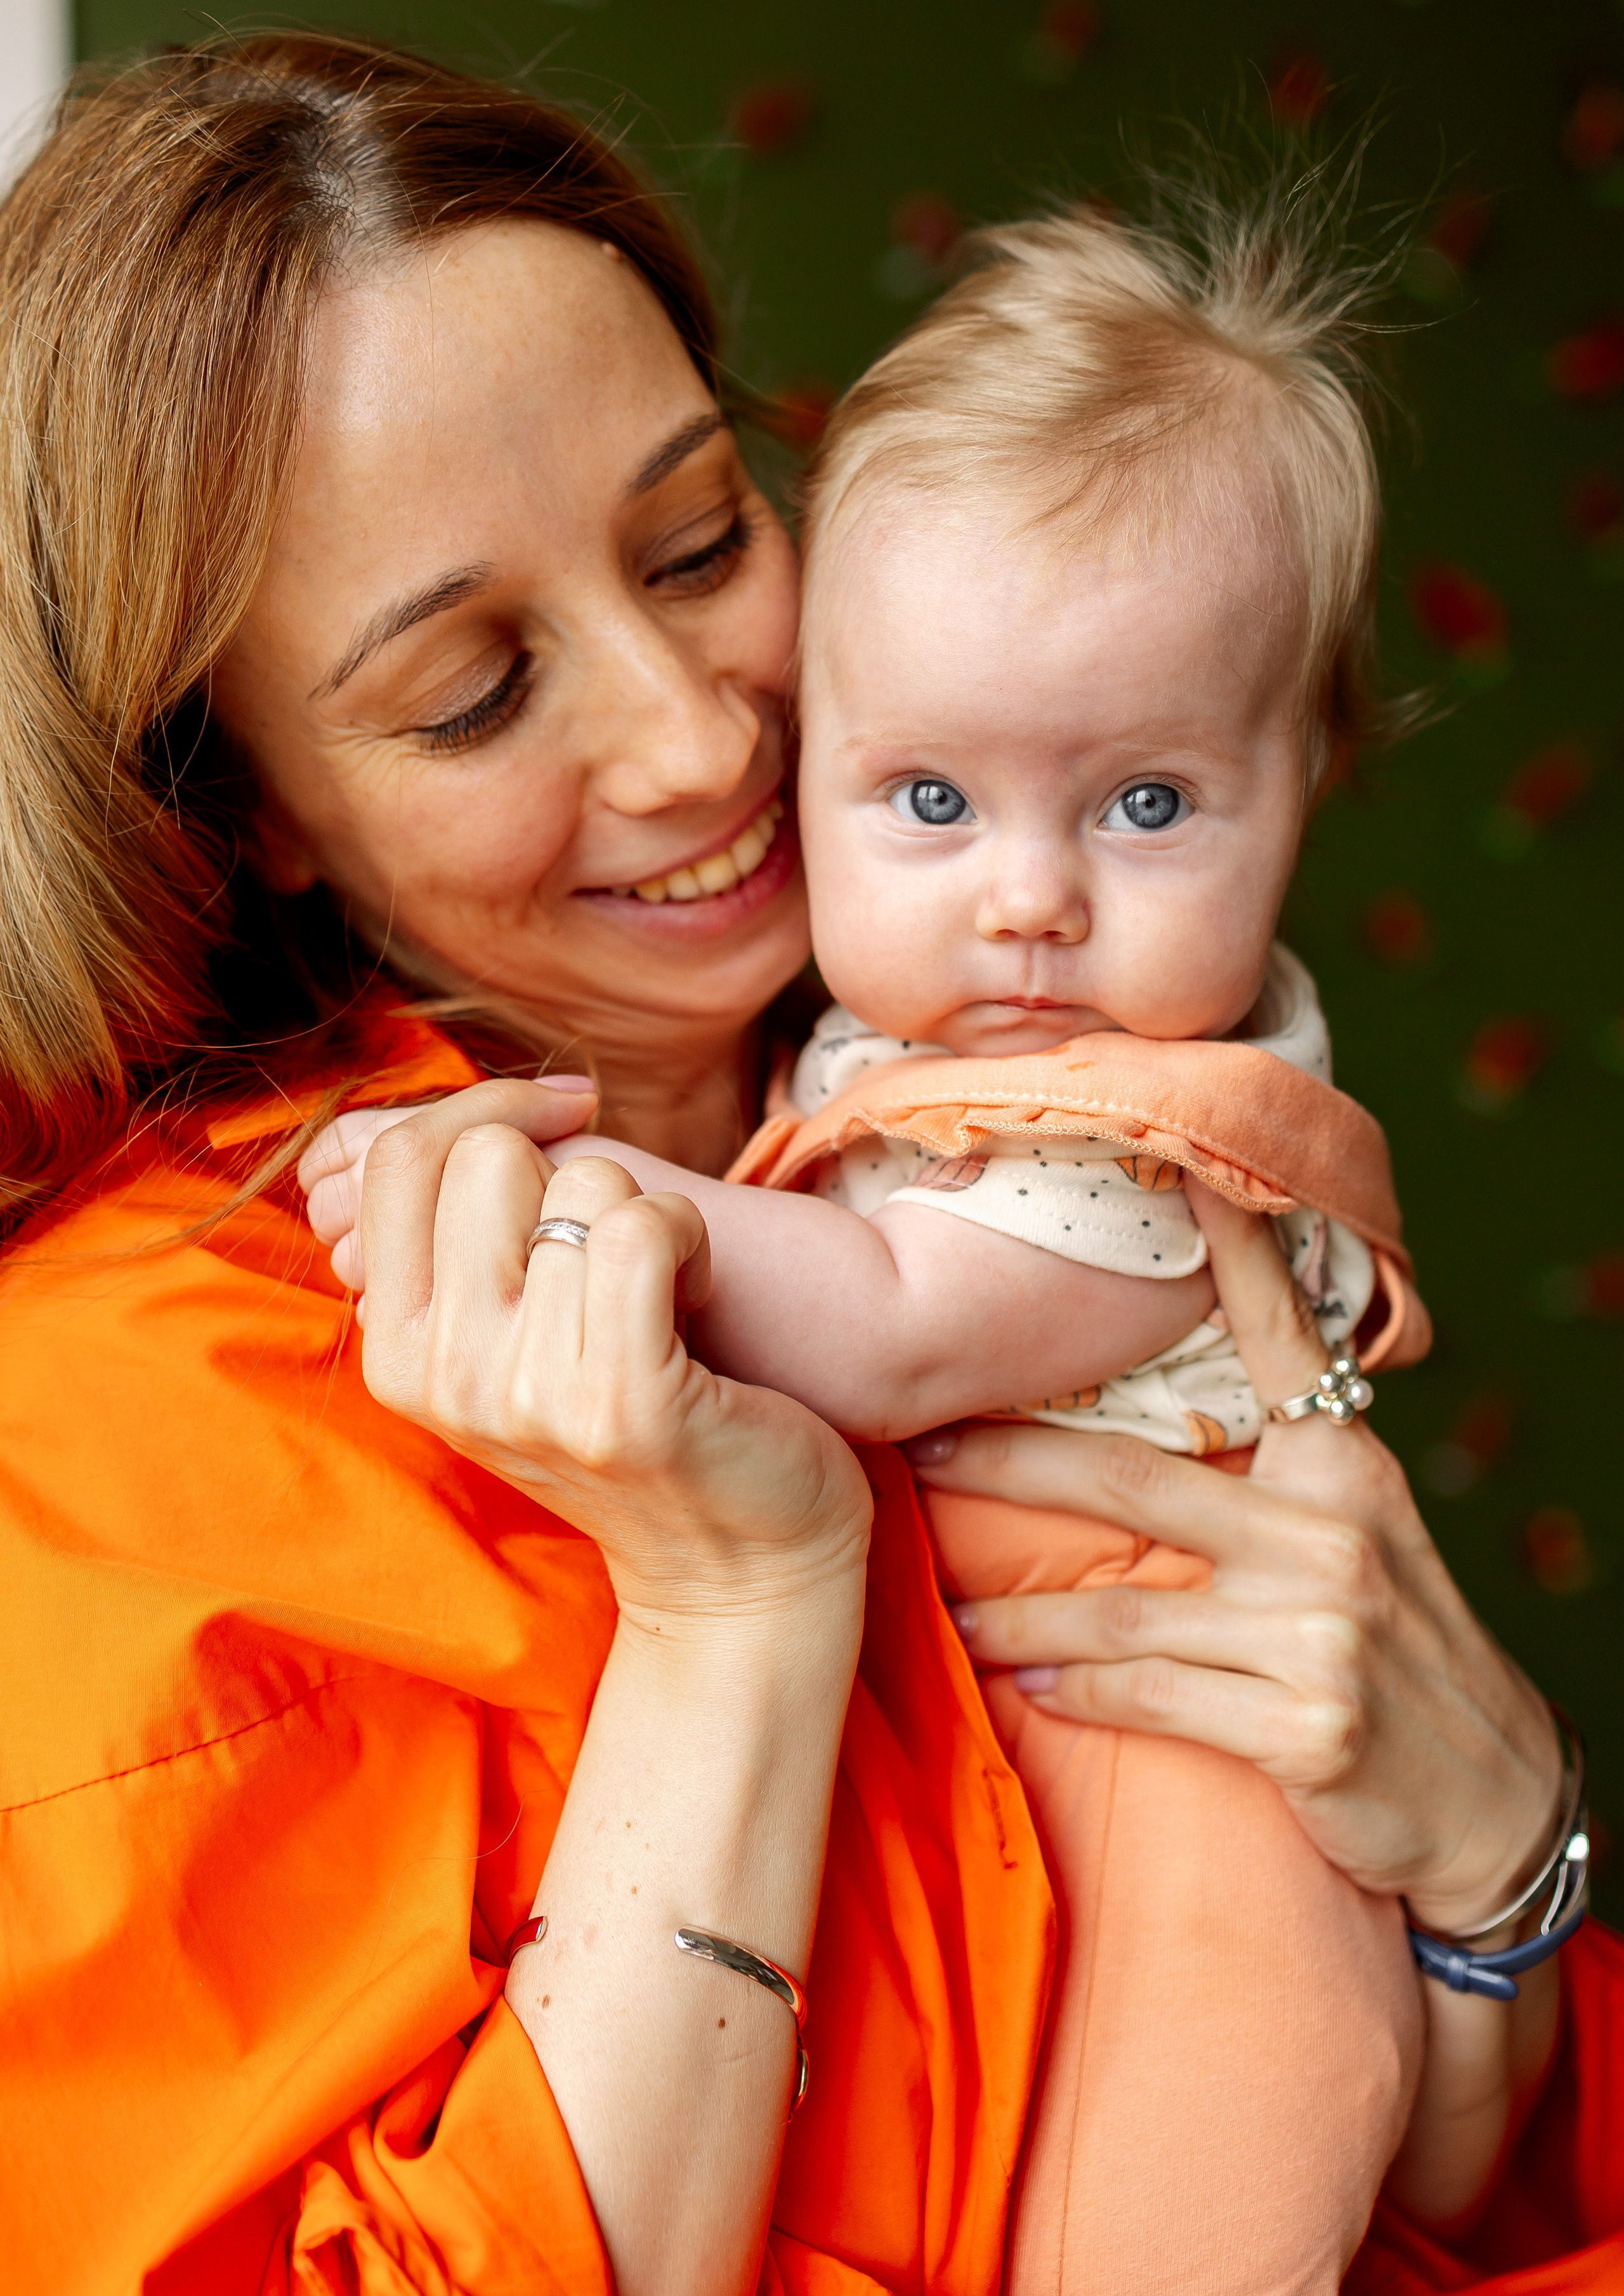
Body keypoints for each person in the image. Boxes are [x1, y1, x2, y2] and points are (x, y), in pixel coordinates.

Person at [0, 31, 1618, 2296]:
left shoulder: (979, 1080)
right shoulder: (109, 1438)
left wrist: (1498, 1868)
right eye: (475, 692)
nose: (700, 734)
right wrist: (738, 1613)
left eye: (698, 541)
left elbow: (1435, 2194)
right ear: (239, 801)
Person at [304, 193, 1439, 2296]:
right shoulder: (885, 1044)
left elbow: (901, 1321)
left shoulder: (1160, 1129)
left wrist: (582, 1203)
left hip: (1202, 1851)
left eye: (1150, 807)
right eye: (929, 800)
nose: (1029, 900)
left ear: (1309, 788)